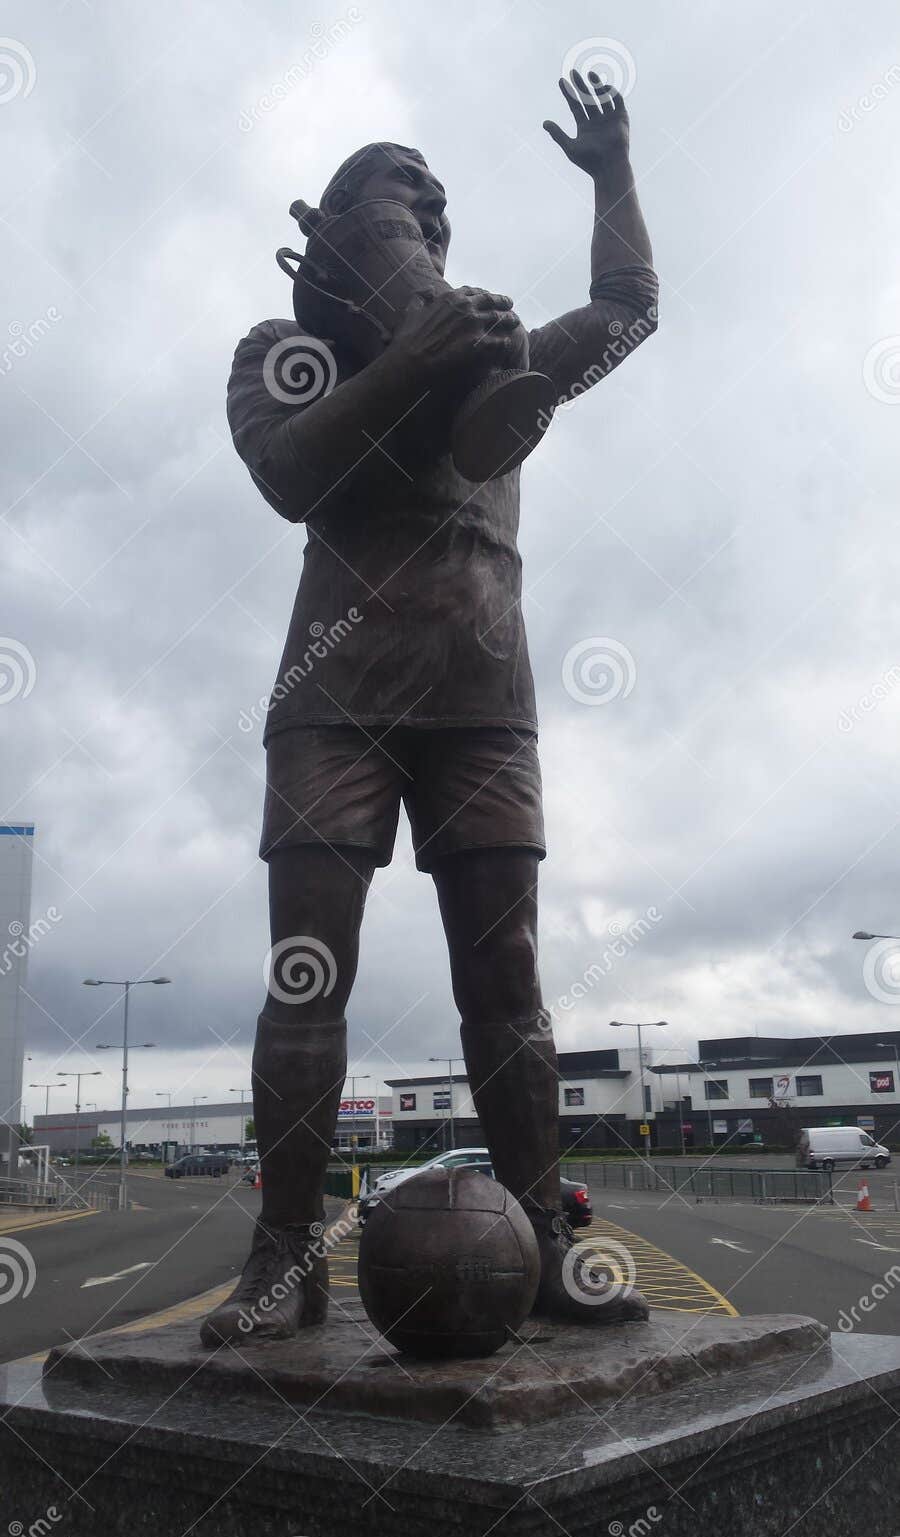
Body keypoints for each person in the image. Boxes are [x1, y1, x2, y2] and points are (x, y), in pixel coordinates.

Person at [202, 71, 658, 1347]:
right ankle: (284, 1259)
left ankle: (547, 1235)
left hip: (485, 703)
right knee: (308, 982)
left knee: (506, 980)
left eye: (442, 212)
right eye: (408, 208)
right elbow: (291, 475)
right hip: (333, 700)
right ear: (340, 240)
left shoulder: (493, 355)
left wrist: (613, 176)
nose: (434, 228)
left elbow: (629, 310)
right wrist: (410, 360)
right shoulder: (282, 354)